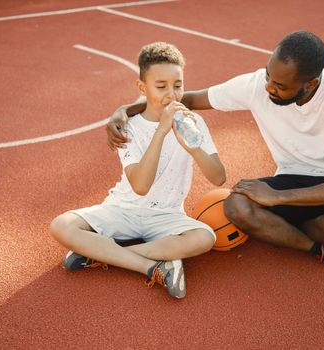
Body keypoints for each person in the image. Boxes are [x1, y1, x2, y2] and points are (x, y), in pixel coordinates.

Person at [106, 31, 324, 271]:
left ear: (310, 85)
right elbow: (187, 100)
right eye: (269, 75)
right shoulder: (257, 85)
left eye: (280, 85)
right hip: (292, 176)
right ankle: (322, 250)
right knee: (235, 206)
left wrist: (278, 198)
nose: (269, 87)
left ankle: (286, 230)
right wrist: (126, 110)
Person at [50, 42, 226, 299]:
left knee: (205, 237)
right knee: (61, 226)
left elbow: (218, 177)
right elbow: (141, 186)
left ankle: (103, 254)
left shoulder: (194, 122)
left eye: (178, 85)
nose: (172, 94)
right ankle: (153, 265)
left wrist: (193, 146)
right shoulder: (129, 127)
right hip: (124, 209)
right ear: (142, 88)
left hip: (166, 215)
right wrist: (162, 130)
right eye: (161, 86)